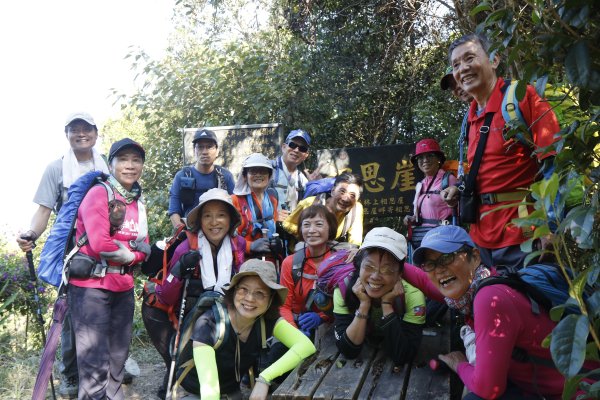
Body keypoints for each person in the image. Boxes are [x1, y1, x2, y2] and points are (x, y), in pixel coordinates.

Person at [403, 224, 595, 399]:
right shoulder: (485, 282)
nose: (439, 270)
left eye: (447, 257)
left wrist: (459, 364)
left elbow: (488, 389)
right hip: (539, 387)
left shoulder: (489, 299)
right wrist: (386, 263)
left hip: (581, 393)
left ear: (475, 257)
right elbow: (426, 282)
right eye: (430, 264)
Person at [440, 33, 559, 271]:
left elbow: (554, 164)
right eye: (455, 65)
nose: (462, 69)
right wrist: (460, 187)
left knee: (533, 304)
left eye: (469, 58)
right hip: (482, 239)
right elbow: (485, 170)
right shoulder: (471, 117)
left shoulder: (522, 97)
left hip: (524, 235)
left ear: (494, 60)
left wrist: (552, 227)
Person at [16, 112, 110, 398]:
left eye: (87, 129)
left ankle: (107, 364)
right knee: (69, 310)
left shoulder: (110, 163)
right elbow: (44, 210)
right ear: (66, 134)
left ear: (96, 132)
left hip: (105, 244)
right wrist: (31, 234)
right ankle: (71, 372)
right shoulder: (56, 169)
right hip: (73, 249)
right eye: (75, 129)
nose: (81, 134)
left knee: (108, 303)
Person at [143, 188, 246, 399]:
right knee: (177, 355)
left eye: (221, 215)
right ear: (199, 220)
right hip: (161, 312)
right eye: (207, 215)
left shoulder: (238, 245)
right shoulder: (186, 248)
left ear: (231, 220)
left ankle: (219, 387)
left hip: (208, 311)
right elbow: (165, 296)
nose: (214, 222)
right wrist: (180, 269)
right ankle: (169, 392)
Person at [68, 138, 150, 399]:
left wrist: (132, 254)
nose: (130, 165)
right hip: (91, 289)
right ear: (111, 163)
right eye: (123, 159)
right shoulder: (99, 193)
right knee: (94, 363)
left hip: (123, 288)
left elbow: (144, 246)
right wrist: (133, 254)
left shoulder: (137, 202)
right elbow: (101, 244)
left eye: (136, 160)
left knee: (117, 360)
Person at [190, 259, 316, 399]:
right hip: (193, 392)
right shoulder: (209, 323)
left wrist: (264, 379)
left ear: (270, 299)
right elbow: (209, 392)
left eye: (260, 293)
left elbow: (306, 345)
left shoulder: (265, 320)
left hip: (230, 391)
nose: (250, 298)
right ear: (234, 291)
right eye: (243, 289)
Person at [333, 227, 425, 367]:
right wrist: (363, 306)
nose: (375, 276)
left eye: (387, 270)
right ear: (359, 267)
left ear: (400, 273)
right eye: (369, 267)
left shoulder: (412, 296)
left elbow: (403, 356)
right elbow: (347, 351)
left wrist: (387, 305)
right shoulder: (344, 290)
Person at [279, 205, 338, 335]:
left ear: (330, 228)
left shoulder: (339, 262)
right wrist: (294, 333)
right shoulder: (290, 263)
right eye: (306, 225)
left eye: (319, 224)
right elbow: (284, 306)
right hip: (295, 323)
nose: (311, 230)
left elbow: (345, 304)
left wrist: (322, 317)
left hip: (329, 326)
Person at [168, 128, 235, 230]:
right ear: (194, 150)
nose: (205, 152)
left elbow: (235, 209)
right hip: (190, 231)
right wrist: (182, 234)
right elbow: (174, 211)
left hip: (218, 232)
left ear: (217, 151)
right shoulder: (182, 176)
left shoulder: (225, 176)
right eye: (200, 147)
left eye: (209, 147)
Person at [283, 172, 364, 246]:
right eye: (342, 191)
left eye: (352, 195)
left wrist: (353, 251)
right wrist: (307, 232)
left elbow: (355, 239)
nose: (345, 199)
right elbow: (287, 223)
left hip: (330, 254)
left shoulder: (356, 209)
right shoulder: (310, 203)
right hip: (304, 251)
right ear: (333, 191)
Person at [403, 138, 457, 249]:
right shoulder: (420, 185)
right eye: (421, 157)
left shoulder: (448, 180)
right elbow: (422, 215)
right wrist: (413, 218)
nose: (425, 160)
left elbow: (459, 210)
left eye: (430, 155)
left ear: (438, 159)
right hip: (423, 238)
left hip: (443, 237)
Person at [232, 153, 281, 258]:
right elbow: (227, 236)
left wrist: (277, 243)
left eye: (263, 171)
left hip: (269, 260)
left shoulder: (272, 199)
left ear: (269, 175)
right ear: (245, 176)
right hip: (245, 262)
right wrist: (250, 246)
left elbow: (275, 224)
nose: (258, 175)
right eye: (253, 171)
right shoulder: (234, 200)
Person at [270, 129, 312, 219]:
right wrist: (272, 216)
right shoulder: (268, 170)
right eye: (292, 145)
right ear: (284, 147)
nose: (296, 150)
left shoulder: (303, 180)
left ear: (306, 155)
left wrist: (315, 186)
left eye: (302, 148)